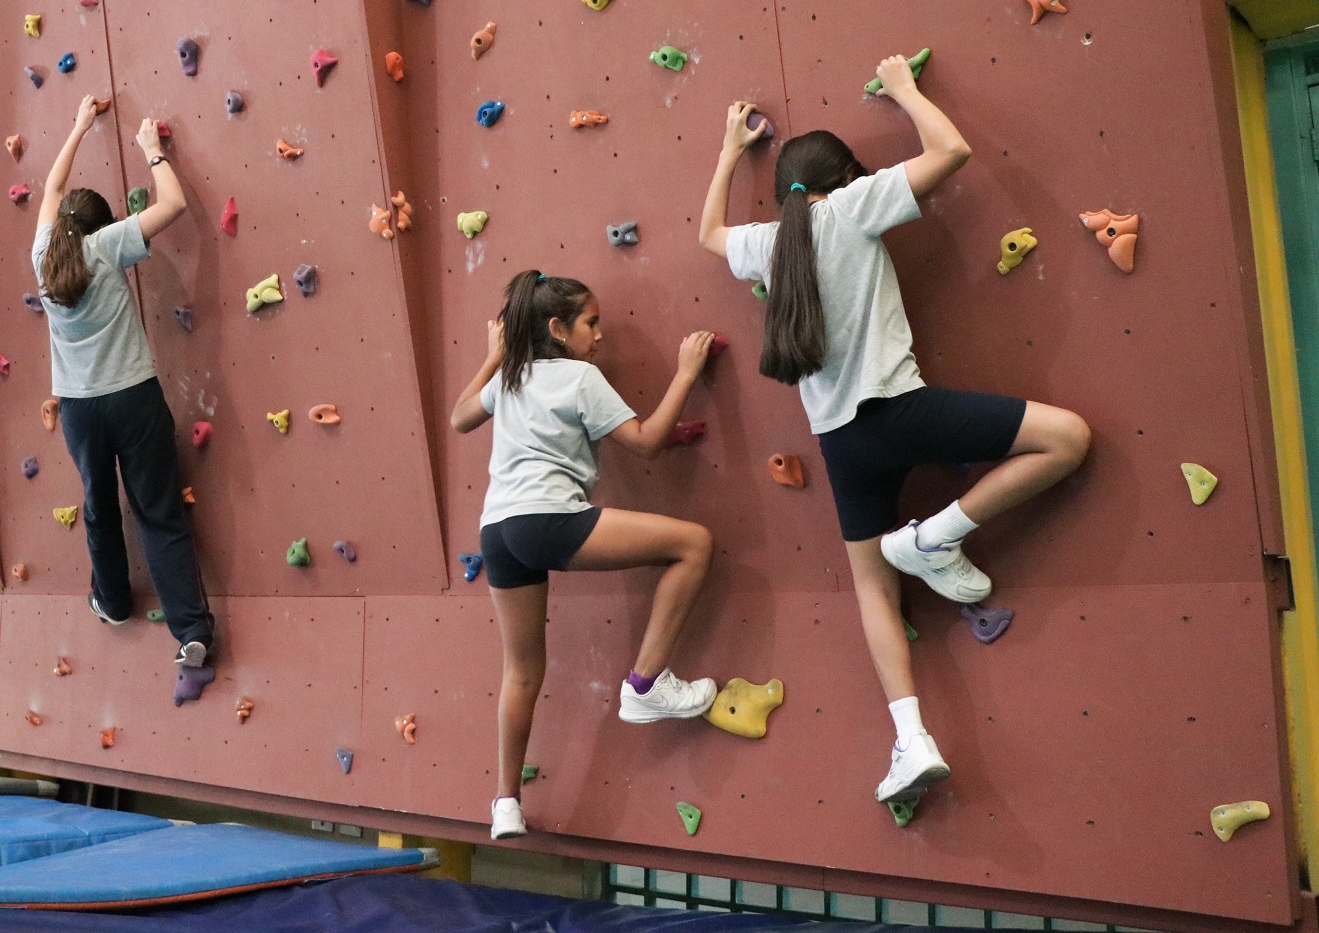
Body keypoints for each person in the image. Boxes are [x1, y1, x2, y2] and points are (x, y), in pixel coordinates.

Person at [696, 57, 1090, 808]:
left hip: (842, 445)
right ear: (846, 177)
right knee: (1066, 438)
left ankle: (911, 740)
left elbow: (710, 233)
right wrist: (905, 90)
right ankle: (936, 536)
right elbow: (951, 152)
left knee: (873, 590)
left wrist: (727, 150)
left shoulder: (769, 243)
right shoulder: (853, 207)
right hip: (901, 412)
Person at [450, 269, 718, 842]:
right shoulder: (580, 377)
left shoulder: (511, 378)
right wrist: (686, 374)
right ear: (557, 328)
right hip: (548, 520)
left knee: (522, 670)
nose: (599, 336)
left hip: (498, 531)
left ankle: (505, 803)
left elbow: (459, 417)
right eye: (591, 323)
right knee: (694, 544)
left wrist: (495, 356)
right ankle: (645, 684)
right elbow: (645, 443)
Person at [35, 94, 215, 668]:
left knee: (98, 505)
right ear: (104, 224)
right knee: (158, 512)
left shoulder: (42, 254)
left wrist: (79, 127)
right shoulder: (107, 246)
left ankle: (112, 602)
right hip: (133, 398)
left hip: (80, 411)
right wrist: (152, 151)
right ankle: (191, 632)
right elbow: (174, 204)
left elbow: (51, 188)